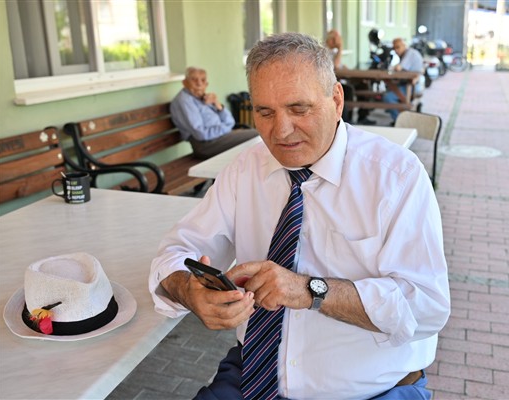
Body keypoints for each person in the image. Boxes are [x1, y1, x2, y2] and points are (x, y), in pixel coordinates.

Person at [150, 32, 450, 400]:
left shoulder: (396, 176)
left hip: (371, 390)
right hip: (254, 375)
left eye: (299, 108)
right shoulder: (245, 169)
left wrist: (310, 290)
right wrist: (188, 291)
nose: (280, 131)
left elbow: (426, 306)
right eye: (265, 112)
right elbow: (175, 252)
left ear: (336, 100)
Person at [170, 67, 259, 159]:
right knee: (257, 136)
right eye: (194, 79)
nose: (199, 84)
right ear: (184, 82)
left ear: (206, 84)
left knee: (256, 137)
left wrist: (217, 104)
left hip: (220, 137)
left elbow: (230, 121)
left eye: (203, 80)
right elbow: (201, 134)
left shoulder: (202, 98)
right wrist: (226, 127)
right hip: (205, 144)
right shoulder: (184, 100)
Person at [382, 38, 426, 122]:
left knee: (388, 97)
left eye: (398, 47)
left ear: (404, 46)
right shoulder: (405, 54)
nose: (396, 50)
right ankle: (399, 117)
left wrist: (391, 67)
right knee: (390, 87)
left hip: (413, 86)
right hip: (409, 84)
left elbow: (398, 68)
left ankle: (399, 121)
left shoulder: (410, 53)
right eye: (394, 48)